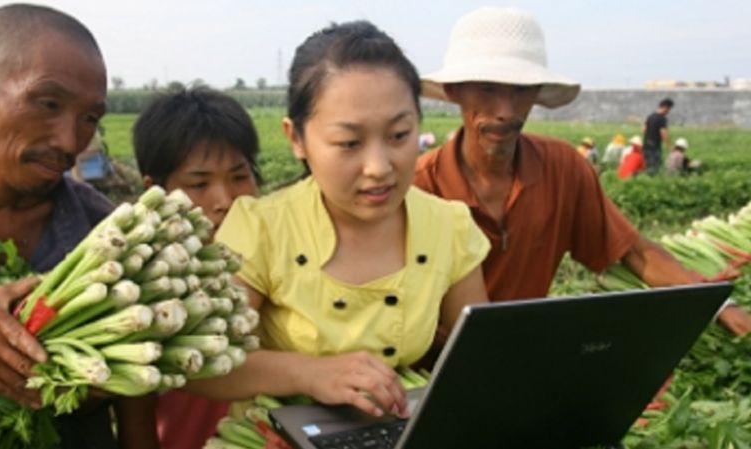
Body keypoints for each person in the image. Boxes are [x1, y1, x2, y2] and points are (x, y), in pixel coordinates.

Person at [186, 20, 490, 419]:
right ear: (296, 139)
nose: (379, 167)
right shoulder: (262, 228)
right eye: (349, 143)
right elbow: (200, 366)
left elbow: (483, 358)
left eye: (399, 135)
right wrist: (309, 374)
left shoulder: (448, 227)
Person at [414, 7, 751, 335]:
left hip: (522, 355)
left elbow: (633, 252)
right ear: (453, 90)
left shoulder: (562, 169)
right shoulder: (417, 186)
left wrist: (716, 303)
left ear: (536, 94)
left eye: (520, 91)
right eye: (487, 88)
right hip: (428, 371)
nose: (504, 111)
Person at [0, 4, 127, 448]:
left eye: (90, 118)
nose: (69, 142)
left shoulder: (105, 236)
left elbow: (130, 415)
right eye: (47, 103)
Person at [125, 87, 262, 449]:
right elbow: (135, 412)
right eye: (199, 184)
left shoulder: (280, 258)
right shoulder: (146, 288)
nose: (225, 201)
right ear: (156, 191)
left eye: (239, 176)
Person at [642, 98, 674, 174]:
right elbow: (664, 133)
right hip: (655, 146)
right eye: (669, 109)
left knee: (647, 164)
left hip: (646, 144)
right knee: (655, 167)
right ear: (665, 107)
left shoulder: (650, 116)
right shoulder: (662, 118)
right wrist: (669, 146)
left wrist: (648, 137)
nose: (669, 111)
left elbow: (644, 129)